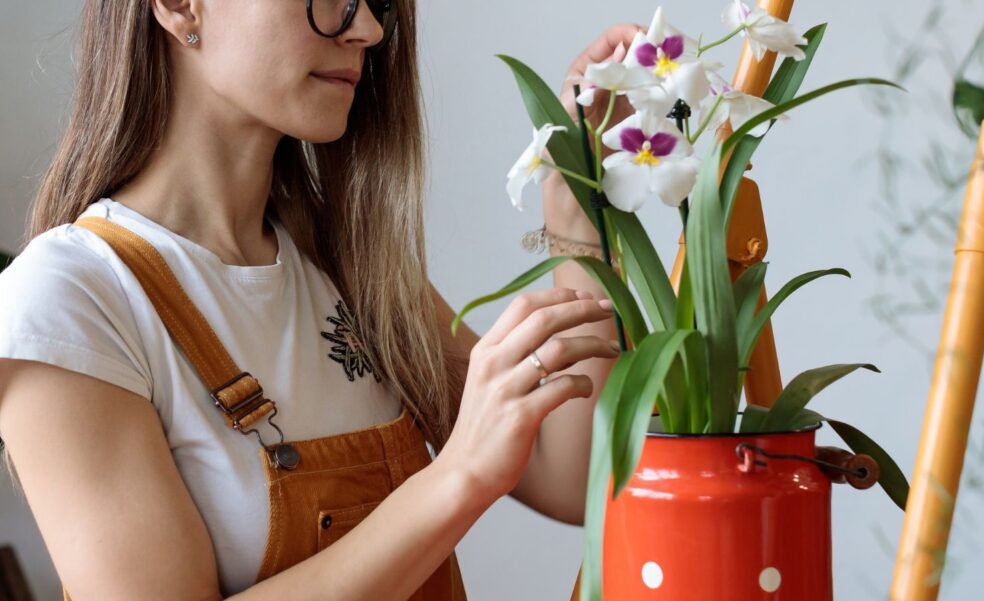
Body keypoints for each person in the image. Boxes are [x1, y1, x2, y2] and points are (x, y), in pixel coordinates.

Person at [0, 1, 641, 599]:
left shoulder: (348, 270)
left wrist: (576, 204)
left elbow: (574, 480)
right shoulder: (72, 300)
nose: (368, 27)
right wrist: (460, 478)